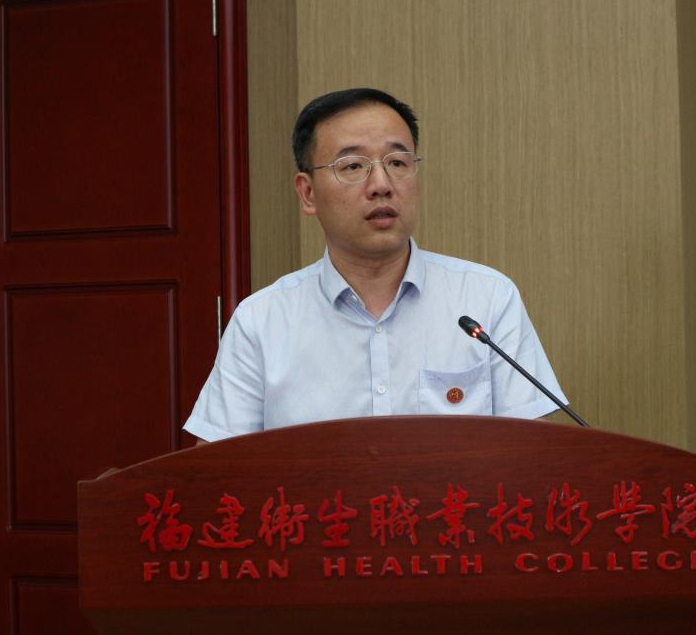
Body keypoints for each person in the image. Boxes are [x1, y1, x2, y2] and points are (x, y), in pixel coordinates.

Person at [184, 88, 565, 443]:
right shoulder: (261, 321)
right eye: (353, 166)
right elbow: (216, 473)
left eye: (397, 162)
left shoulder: (486, 298)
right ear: (308, 193)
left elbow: (531, 455)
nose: (381, 184)